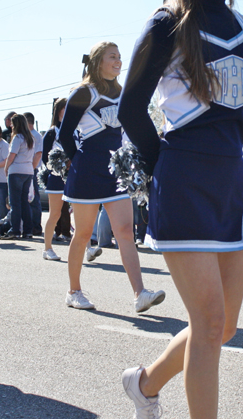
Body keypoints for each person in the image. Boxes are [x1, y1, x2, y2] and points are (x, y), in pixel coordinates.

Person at [118, 0, 243, 418]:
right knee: (209, 318)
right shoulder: (167, 23)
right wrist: (161, 169)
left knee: (223, 327)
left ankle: (145, 383)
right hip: (184, 181)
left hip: (228, 185)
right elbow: (131, 108)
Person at [59, 41, 165, 314]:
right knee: (82, 235)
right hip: (86, 174)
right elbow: (64, 135)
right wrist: (80, 160)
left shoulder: (124, 94)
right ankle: (74, 291)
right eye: (112, 57)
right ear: (97, 62)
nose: (118, 61)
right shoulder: (84, 94)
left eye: (120, 56)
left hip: (114, 175)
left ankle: (140, 293)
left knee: (125, 232)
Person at [40, 97, 68, 261]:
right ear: (58, 111)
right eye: (65, 109)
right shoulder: (52, 132)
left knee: (81, 213)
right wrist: (59, 168)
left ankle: (88, 248)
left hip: (72, 177)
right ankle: (47, 248)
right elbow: (45, 158)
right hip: (56, 179)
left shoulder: (75, 130)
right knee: (55, 214)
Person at [3, 114, 35, 239]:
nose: (11, 126)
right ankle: (28, 230)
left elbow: (12, 155)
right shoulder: (30, 138)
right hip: (28, 171)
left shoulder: (17, 138)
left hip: (16, 170)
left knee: (15, 203)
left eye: (12, 123)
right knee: (24, 202)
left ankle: (15, 230)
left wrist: (6, 168)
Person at [24, 112, 43, 236]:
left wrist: (31, 169)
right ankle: (28, 225)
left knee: (34, 199)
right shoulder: (26, 135)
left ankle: (36, 226)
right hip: (25, 169)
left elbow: (38, 154)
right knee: (27, 199)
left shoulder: (36, 136)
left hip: (32, 169)